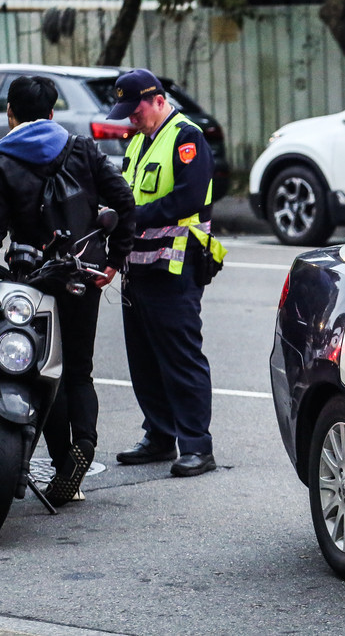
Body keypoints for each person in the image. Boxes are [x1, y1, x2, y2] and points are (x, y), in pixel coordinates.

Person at [0, 75, 136, 505]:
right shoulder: (82, 149)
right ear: (53, 113)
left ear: (10, 114)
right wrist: (112, 262)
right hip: (82, 276)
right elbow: (124, 202)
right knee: (79, 370)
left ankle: (60, 462)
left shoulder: (2, 163)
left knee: (41, 372)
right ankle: (82, 452)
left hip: (29, 283)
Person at [108, 68, 218, 477]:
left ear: (157, 100)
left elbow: (188, 197)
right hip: (136, 266)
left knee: (180, 357)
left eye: (134, 110)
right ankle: (158, 435)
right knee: (144, 358)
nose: (129, 119)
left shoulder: (186, 137)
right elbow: (125, 190)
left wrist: (131, 218)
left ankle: (196, 446)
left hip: (174, 265)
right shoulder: (137, 141)